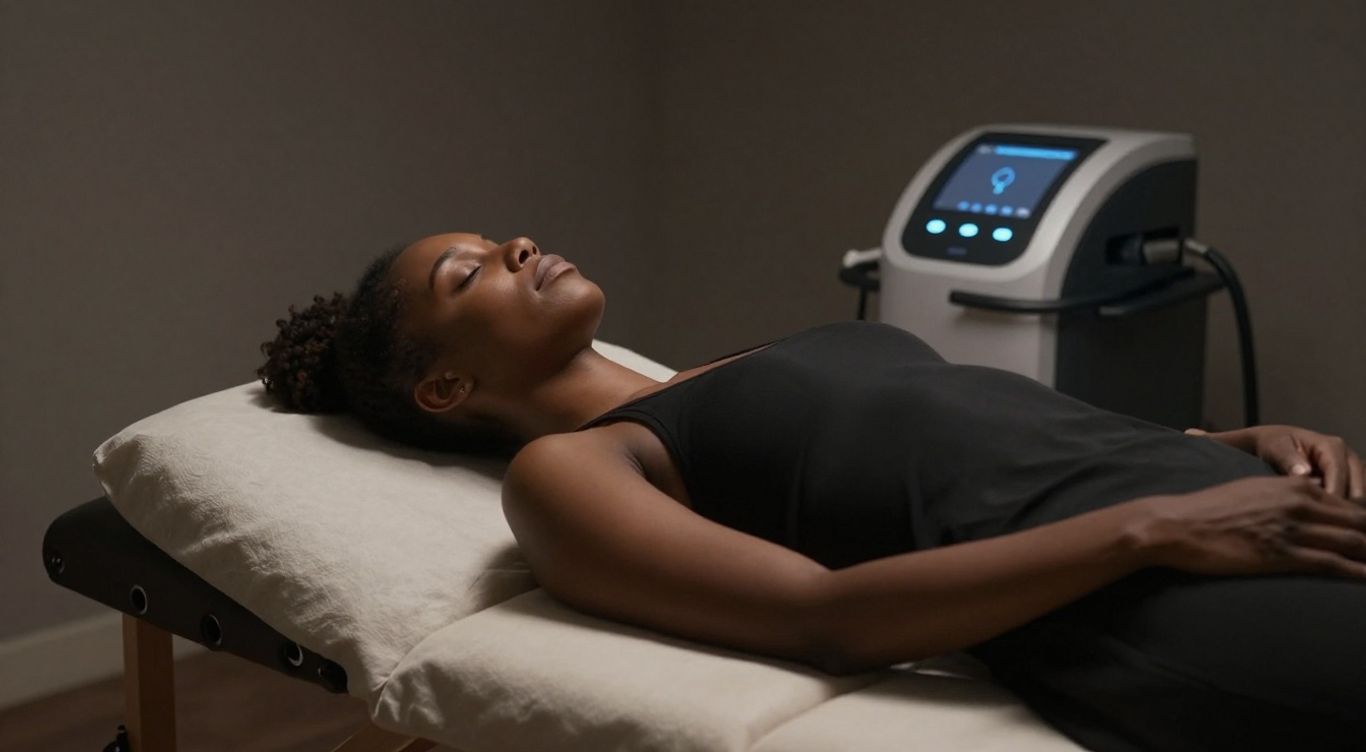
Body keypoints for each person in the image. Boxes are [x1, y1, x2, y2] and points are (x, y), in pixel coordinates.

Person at [259, 232, 1366, 751]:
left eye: (498, 238)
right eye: (471, 273)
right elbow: (822, 620)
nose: (517, 244)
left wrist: (1231, 443)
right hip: (1154, 587)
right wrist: (1154, 528)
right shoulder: (572, 471)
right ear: (447, 385)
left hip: (1216, 500)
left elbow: (1002, 431)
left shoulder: (734, 366)